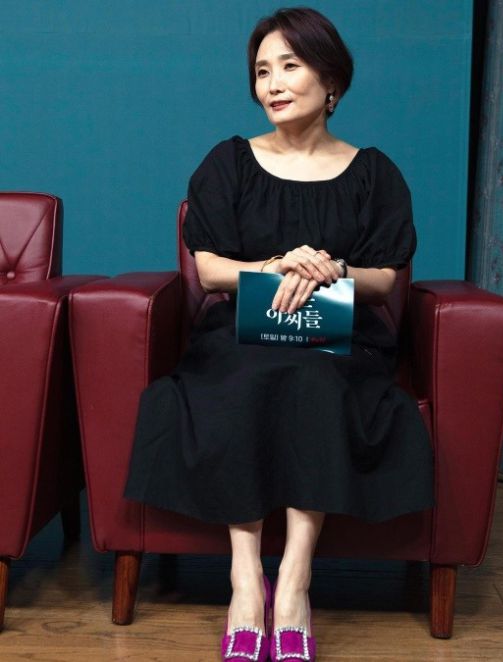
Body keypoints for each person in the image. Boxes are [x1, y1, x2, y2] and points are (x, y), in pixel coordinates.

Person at [124, 7, 434, 661]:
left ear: (332, 80)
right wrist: (274, 266)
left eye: (290, 66)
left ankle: (293, 583)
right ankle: (245, 583)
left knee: (311, 374)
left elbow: (385, 278)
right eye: (262, 71)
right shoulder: (229, 162)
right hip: (241, 329)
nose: (272, 83)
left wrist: (333, 268)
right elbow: (209, 269)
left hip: (338, 333)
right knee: (248, 371)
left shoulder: (374, 172)